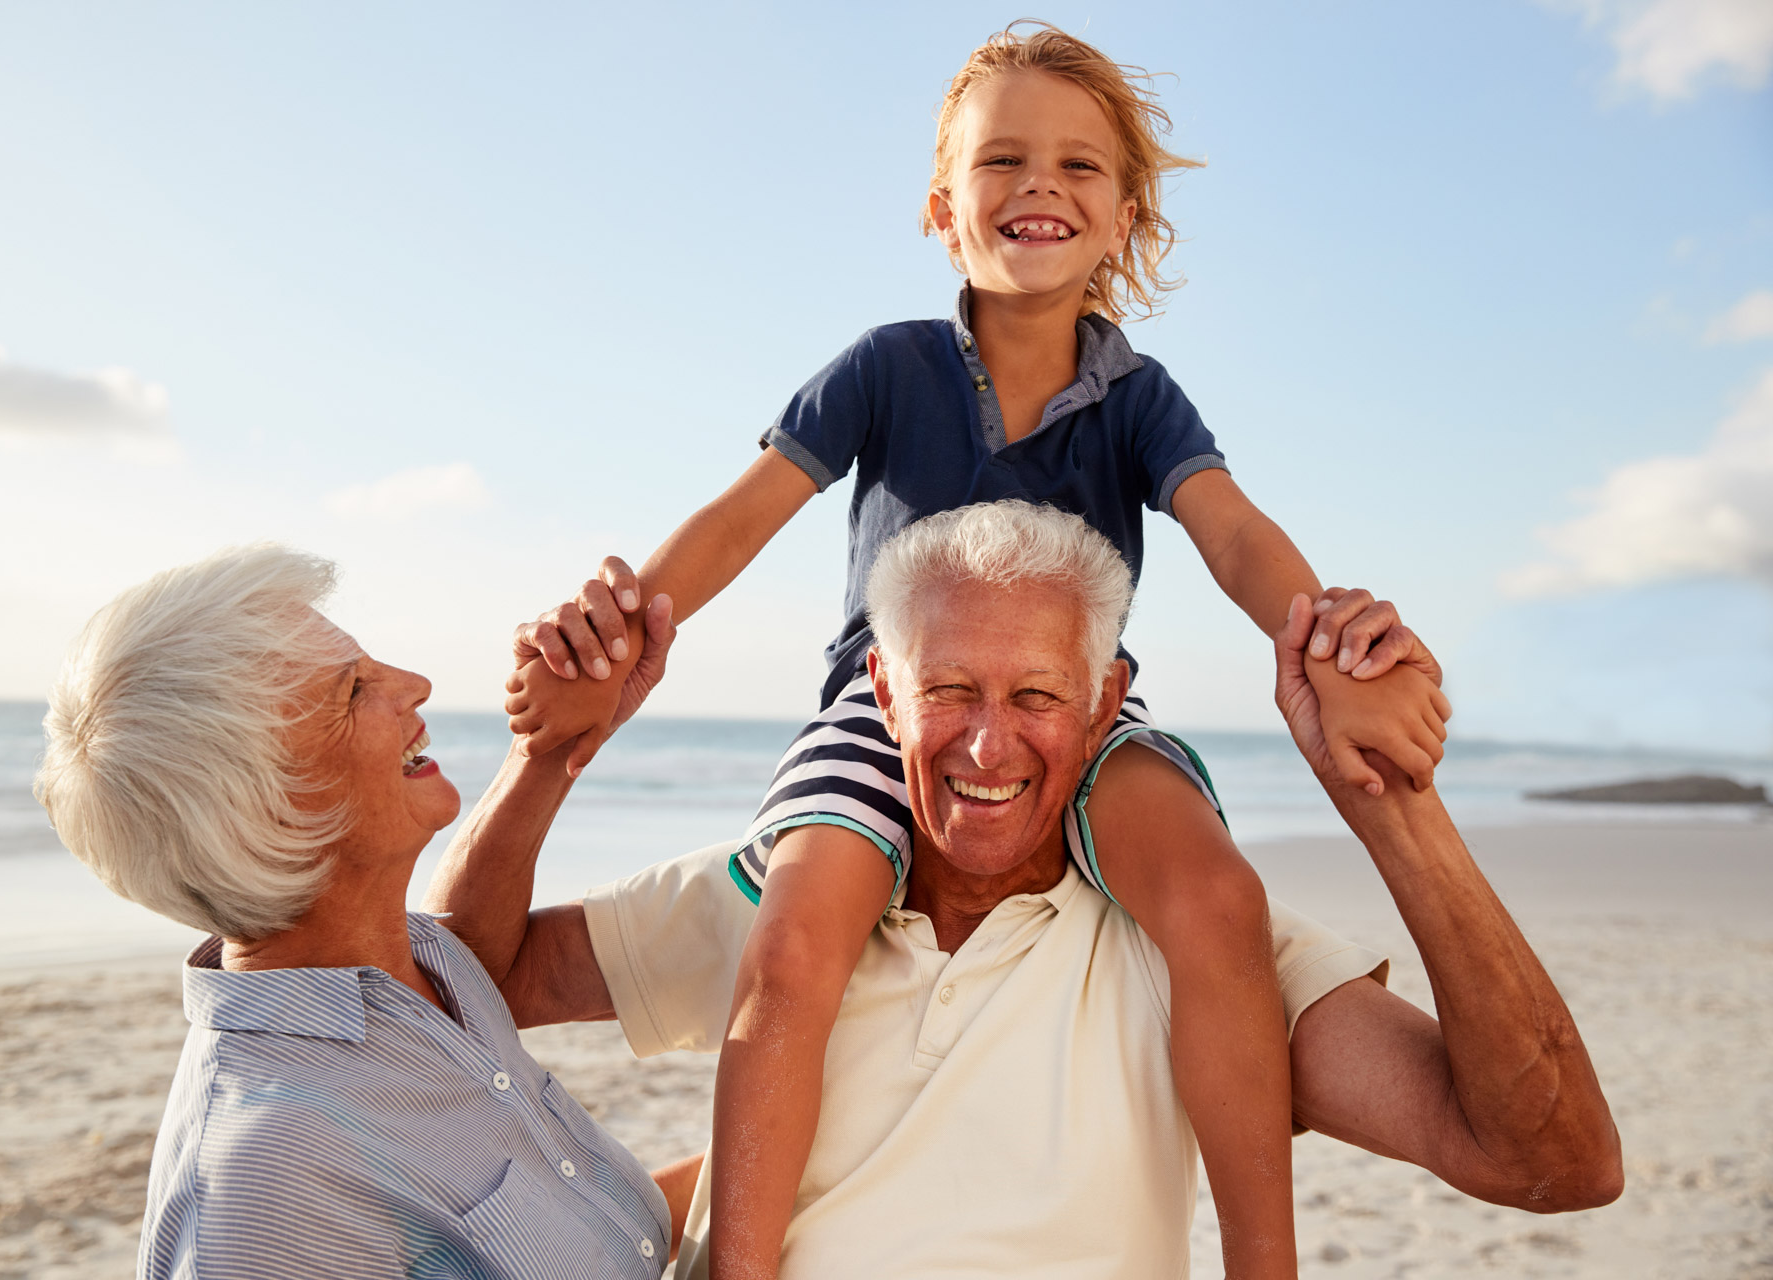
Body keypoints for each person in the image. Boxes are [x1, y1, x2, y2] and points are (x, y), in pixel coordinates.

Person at [501, 22, 1451, 1279]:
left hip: (1077, 709)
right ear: (943, 210)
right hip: (886, 705)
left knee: (1220, 898)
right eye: (1001, 160)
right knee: (793, 943)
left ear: (1125, 217)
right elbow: (741, 517)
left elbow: (1231, 534)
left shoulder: (1140, 397)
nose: (1040, 186)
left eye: (1079, 167)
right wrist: (622, 628)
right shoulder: (888, 368)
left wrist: (1326, 628)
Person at [448, 504, 1621, 1278]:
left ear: (1109, 703)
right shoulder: (782, 894)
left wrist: (1393, 803)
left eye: (1039, 697)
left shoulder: (1197, 945)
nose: (988, 744)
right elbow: (459, 982)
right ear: (883, 694)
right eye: (949, 688)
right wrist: (544, 761)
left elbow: (1554, 1159)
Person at [32, 544, 695, 1280]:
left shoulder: (432, 967)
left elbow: (603, 1243)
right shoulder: (266, 1183)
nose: (416, 685)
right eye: (353, 692)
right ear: (273, 811)